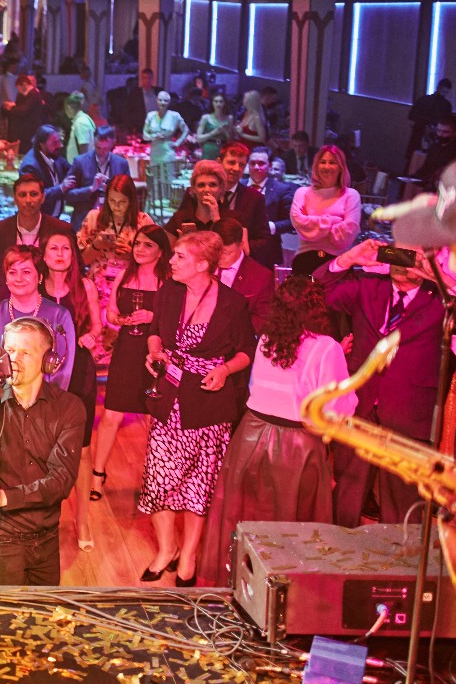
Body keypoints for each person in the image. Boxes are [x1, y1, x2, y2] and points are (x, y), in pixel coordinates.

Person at [199, 276, 355, 587]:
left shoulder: (267, 340)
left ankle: (240, 585)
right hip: (297, 446)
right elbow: (335, 407)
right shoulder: (327, 348)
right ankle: (287, 593)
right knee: (291, 528)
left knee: (243, 518)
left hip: (250, 436)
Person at [140, 232, 255, 587]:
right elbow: (155, 331)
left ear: (203, 264)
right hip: (169, 398)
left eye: (180, 256)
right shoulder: (169, 291)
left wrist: (225, 370)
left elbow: (246, 352)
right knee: (158, 478)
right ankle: (166, 549)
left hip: (208, 403)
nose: (171, 261)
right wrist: (154, 352)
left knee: (197, 486)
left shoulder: (233, 303)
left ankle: (188, 556)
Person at [313, 237, 444, 527]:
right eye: (397, 251)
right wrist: (347, 259)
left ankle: (399, 554)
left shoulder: (439, 299)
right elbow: (314, 292)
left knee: (402, 502)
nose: (402, 260)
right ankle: (339, 549)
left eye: (411, 254)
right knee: (347, 492)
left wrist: (437, 276)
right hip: (359, 405)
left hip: (408, 412)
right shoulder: (368, 286)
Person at [0, 317, 86, 586]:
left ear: (48, 361)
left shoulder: (69, 408)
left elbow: (61, 481)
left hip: (46, 536)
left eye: (25, 352)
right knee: (7, 610)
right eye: (9, 350)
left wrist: (6, 497)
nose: (14, 360)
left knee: (44, 608)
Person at [91, 225, 172, 501]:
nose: (140, 249)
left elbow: (176, 318)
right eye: (137, 243)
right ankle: (97, 475)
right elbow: (111, 314)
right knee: (111, 413)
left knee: (153, 417)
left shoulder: (168, 280)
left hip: (155, 353)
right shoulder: (124, 275)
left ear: (160, 252)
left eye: (148, 245)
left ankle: (156, 478)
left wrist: (152, 317)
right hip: (126, 349)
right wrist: (119, 319)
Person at [40, 232, 103, 550]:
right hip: (41, 374)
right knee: (39, 445)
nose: (60, 253)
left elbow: (98, 326)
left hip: (79, 372)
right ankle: (41, 518)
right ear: (44, 255)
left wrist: (91, 336)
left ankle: (83, 521)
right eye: (54, 248)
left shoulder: (85, 286)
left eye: (66, 248)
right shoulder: (34, 288)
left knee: (82, 449)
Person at [0, 245, 76, 390]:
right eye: (12, 272)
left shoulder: (59, 316)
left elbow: (62, 371)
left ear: (40, 277)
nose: (18, 278)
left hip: (45, 399)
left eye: (26, 272)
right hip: (0, 397)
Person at [0, 173, 75, 307]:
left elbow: (75, 269)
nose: (28, 200)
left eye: (33, 194)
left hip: (50, 305)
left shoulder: (61, 229)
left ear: (43, 197)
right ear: (15, 198)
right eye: (22, 195)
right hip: (8, 305)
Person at [77, 174, 154, 321]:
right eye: (112, 200)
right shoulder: (94, 218)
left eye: (122, 202)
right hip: (97, 286)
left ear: (131, 201)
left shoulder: (143, 221)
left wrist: (132, 254)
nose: (116, 206)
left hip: (130, 285)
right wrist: (96, 246)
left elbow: (156, 260)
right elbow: (80, 261)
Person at [290, 145, 361, 275]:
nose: (327, 167)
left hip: (339, 261)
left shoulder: (351, 195)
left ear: (341, 167)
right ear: (316, 166)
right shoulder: (302, 193)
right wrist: (334, 221)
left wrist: (314, 226)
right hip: (305, 258)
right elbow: (299, 223)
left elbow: (346, 237)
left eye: (332, 162)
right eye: (323, 162)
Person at [215, 218, 274, 336]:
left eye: (226, 253)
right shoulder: (203, 266)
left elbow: (262, 319)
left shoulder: (260, 276)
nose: (220, 257)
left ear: (241, 245)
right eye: (216, 250)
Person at [65, 126, 129, 231]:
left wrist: (112, 191)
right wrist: (91, 189)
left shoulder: (121, 163)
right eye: (98, 147)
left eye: (106, 148)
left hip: (114, 220)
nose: (102, 151)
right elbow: (68, 195)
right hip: (85, 220)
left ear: (113, 143)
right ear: (94, 142)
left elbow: (130, 195)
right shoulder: (80, 162)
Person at [143, 91, 189, 216]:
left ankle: (167, 213)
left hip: (168, 151)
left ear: (169, 102)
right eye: (160, 100)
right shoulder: (151, 115)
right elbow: (144, 135)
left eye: (166, 100)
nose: (162, 103)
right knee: (154, 181)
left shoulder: (174, 115)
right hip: (155, 151)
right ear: (156, 101)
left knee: (167, 181)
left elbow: (186, 130)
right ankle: (151, 213)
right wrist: (153, 136)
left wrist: (177, 143)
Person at [163, 160, 232, 240]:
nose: (207, 190)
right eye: (201, 185)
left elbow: (233, 247)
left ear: (221, 188)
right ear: (193, 189)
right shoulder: (179, 218)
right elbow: (166, 247)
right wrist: (181, 244)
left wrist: (217, 221)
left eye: (212, 185)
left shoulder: (232, 219)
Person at [19, 126, 75, 218]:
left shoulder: (54, 155)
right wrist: (61, 188)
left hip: (54, 217)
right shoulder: (29, 166)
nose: (60, 145)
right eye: (55, 143)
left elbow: (73, 170)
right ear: (42, 144)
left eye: (60, 141)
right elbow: (33, 196)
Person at [247, 147, 295, 245]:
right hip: (238, 248)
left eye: (261, 163)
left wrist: (270, 227)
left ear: (270, 166)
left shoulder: (282, 190)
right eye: (252, 163)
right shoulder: (239, 186)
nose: (256, 167)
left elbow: (291, 222)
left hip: (268, 246)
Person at [407, 78, 452, 160]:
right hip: (423, 133)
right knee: (416, 157)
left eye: (446, 92)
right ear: (438, 88)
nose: (444, 94)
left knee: (420, 158)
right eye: (443, 91)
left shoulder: (445, 105)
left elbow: (412, 115)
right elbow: (412, 115)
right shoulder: (426, 100)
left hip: (433, 136)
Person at [4, 74, 49, 156]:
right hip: (25, 132)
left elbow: (24, 111)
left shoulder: (33, 94)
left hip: (29, 132)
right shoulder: (28, 95)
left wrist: (12, 108)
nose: (19, 91)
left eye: (19, 88)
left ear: (24, 85)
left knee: (27, 153)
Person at [194, 92, 234, 161]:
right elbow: (198, 138)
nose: (218, 104)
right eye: (216, 101)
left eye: (221, 101)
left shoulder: (229, 118)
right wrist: (213, 133)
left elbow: (230, 140)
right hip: (209, 148)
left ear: (224, 103)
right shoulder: (206, 118)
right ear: (212, 103)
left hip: (223, 148)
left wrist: (225, 131)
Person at [62, 92, 94, 162]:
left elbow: (84, 147)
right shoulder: (82, 119)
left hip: (80, 166)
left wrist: (80, 166)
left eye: (65, 109)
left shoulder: (80, 122)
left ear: (69, 107)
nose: (65, 112)